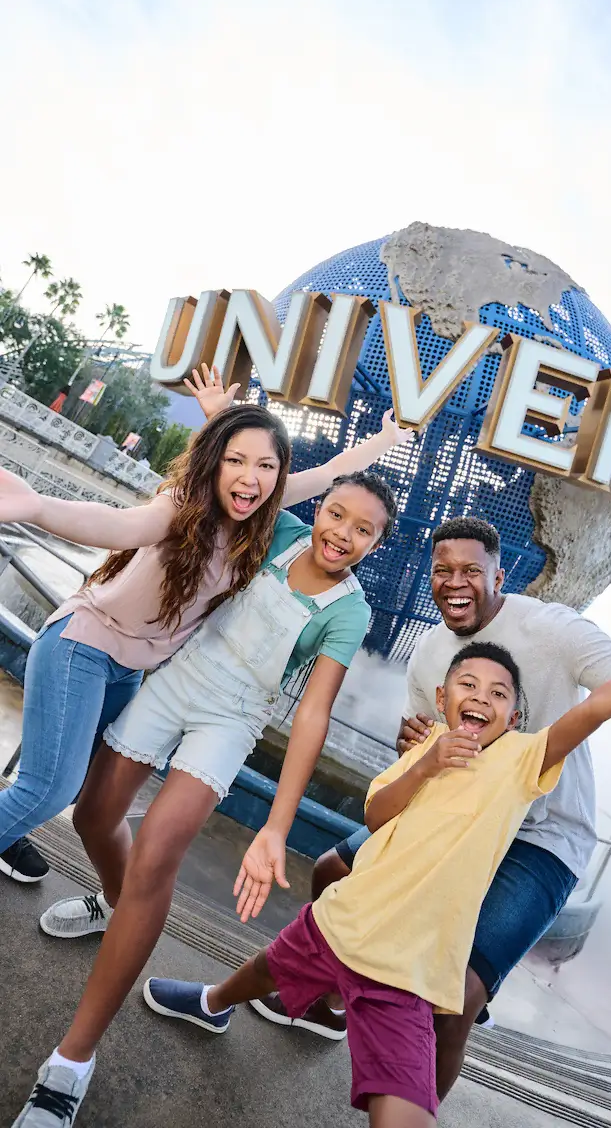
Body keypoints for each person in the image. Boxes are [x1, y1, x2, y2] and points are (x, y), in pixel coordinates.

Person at [134, 615, 611, 1128]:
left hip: (410, 971)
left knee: (405, 1105)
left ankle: (254, 1008)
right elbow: (378, 813)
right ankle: (214, 1000)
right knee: (275, 962)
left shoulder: (522, 761)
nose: (481, 700)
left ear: (514, 717)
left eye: (499, 695)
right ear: (443, 698)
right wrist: (424, 765)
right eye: (469, 687)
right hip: (342, 923)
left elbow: (600, 705)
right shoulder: (421, 754)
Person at [254, 516, 611, 1095]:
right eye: (443, 570)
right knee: (330, 871)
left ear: (502, 574)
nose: (456, 583)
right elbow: (424, 734)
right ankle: (334, 1004)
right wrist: (415, 742)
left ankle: (428, 1081)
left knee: (453, 1005)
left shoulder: (554, 630)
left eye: (472, 570)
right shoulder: (430, 653)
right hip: (458, 817)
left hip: (539, 839)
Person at [12, 468, 400, 1127]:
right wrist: (225, 414)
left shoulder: (350, 608)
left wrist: (276, 826)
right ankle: (112, 900)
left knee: (158, 855)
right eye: (337, 515)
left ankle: (70, 1064)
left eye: (364, 530)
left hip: (234, 719)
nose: (343, 534)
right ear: (322, 510)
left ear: (377, 543)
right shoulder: (281, 530)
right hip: (176, 680)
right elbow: (249, 469)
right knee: (93, 815)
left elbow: (311, 716)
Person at [0, 364, 411, 883]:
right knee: (50, 787)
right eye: (235, 459)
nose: (251, 476)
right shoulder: (181, 508)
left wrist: (389, 437)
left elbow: (331, 474)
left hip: (129, 668)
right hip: (85, 645)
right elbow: (119, 526)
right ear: (214, 461)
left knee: (73, 780)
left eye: (265, 466)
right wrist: (36, 507)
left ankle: (20, 839)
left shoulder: (265, 517)